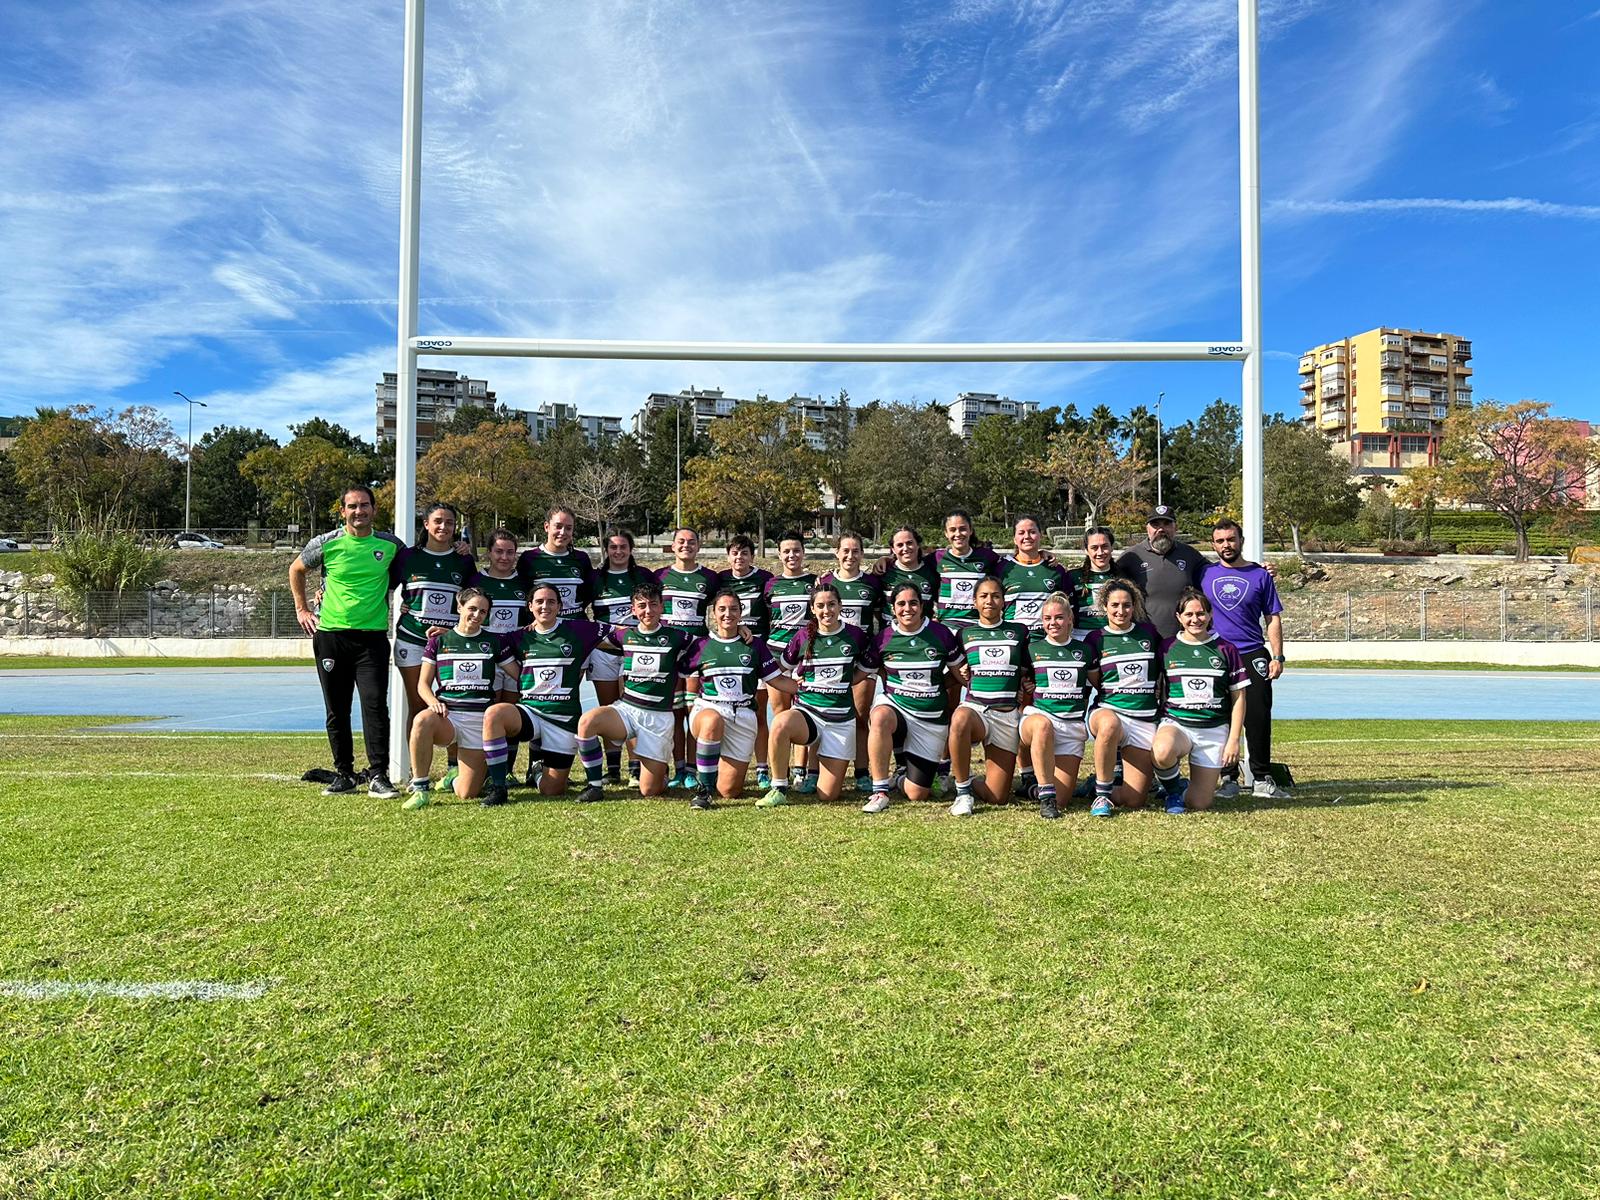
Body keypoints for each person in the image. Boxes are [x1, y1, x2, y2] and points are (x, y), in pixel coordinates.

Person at [289, 484, 404, 797]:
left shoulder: (391, 545)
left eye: (365, 505)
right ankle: (344, 774)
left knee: (375, 707)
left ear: (374, 509)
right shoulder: (326, 543)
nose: (359, 511)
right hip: (331, 638)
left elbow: (412, 571)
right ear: (342, 511)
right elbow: (296, 569)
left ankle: (379, 775)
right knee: (337, 709)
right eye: (352, 506)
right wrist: (302, 609)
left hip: (372, 641)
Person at [480, 583, 605, 806]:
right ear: (530, 606)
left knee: (552, 790)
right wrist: (450, 634)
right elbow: (482, 639)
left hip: (563, 720)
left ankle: (537, 769)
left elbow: (618, 633)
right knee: (495, 714)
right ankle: (498, 787)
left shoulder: (579, 629)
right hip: (531, 712)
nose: (544, 606)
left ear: (559, 606)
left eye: (550, 601)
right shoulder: (518, 637)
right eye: (539, 601)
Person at [575, 580, 695, 804]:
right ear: (633, 609)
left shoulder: (678, 637)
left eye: (653, 605)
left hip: (658, 717)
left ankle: (660, 771)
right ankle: (594, 786)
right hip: (627, 710)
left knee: (649, 790)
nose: (647, 610)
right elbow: (592, 637)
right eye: (641, 605)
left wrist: (741, 630)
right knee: (587, 722)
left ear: (662, 607)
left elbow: (709, 645)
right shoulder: (624, 636)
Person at [759, 582, 878, 807]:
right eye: (821, 606)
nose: (827, 611)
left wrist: (848, 681)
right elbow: (777, 670)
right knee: (780, 723)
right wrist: (794, 685)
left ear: (841, 606)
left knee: (828, 795)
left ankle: (819, 771)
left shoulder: (855, 636)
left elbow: (869, 665)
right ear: (812, 609)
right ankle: (779, 787)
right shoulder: (803, 636)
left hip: (840, 721)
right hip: (808, 713)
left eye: (832, 604)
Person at [1199, 518, 1289, 801]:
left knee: (1258, 716)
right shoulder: (1203, 574)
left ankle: (1261, 777)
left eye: (1231, 539)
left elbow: (1272, 618)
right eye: (1220, 541)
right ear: (1214, 545)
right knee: (1222, 717)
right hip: (1217, 653)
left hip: (1252, 653)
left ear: (1241, 541)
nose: (1226, 545)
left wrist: (1278, 656)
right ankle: (1228, 778)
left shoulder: (1260, 575)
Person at [681, 589, 797, 808]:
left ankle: (715, 762)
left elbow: (778, 681)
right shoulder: (700, 645)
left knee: (729, 790)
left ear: (741, 612)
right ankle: (703, 791)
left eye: (734, 609)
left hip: (742, 715)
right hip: (708, 709)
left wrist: (809, 687)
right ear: (713, 613)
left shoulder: (755, 645)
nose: (728, 614)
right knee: (712, 722)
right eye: (722, 609)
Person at [402, 588, 517, 810]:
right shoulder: (439, 641)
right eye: (472, 609)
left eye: (483, 612)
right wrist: (432, 702)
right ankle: (420, 789)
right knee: (422, 720)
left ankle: (453, 776)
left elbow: (518, 674)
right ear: (459, 607)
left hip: (479, 721)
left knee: (467, 793)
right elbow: (422, 685)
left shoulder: (494, 642)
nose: (476, 615)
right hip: (448, 717)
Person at [863, 582, 963, 813]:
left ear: (922, 605)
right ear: (893, 609)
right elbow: (859, 673)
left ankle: (900, 776)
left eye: (913, 603)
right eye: (901, 604)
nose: (907, 609)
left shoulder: (940, 634)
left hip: (930, 720)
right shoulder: (884, 638)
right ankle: (879, 791)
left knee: (917, 794)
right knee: (879, 717)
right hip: (896, 707)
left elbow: (960, 676)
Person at [1150, 589, 1249, 814]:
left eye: (1201, 613)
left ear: (1210, 614)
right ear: (1179, 617)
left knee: (1199, 804)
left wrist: (1234, 740)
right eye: (1189, 614)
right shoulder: (1167, 648)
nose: (1195, 619)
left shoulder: (1226, 649)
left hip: (1213, 730)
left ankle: (1183, 787)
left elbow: (1239, 698)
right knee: (1162, 751)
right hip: (1177, 724)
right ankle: (1174, 792)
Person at [999, 514, 1073, 799]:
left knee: (1040, 705)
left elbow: (1066, 608)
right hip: (1014, 648)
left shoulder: (1055, 570)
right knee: (1017, 708)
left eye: (1032, 532)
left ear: (1041, 535)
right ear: (1014, 538)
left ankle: (1047, 765)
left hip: (1047, 650)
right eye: (1021, 533)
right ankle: (1026, 772)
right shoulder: (1002, 568)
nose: (1027, 537)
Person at [947, 576, 1031, 816]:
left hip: (1006, 715)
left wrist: (1027, 683)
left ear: (1004, 601)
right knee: (960, 719)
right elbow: (956, 672)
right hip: (977, 710)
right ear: (974, 602)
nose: (989, 601)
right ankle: (962, 792)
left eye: (995, 596)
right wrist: (961, 672)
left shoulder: (1019, 631)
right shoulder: (965, 634)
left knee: (998, 797)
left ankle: (970, 780)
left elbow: (1027, 670)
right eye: (983, 596)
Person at [390, 502, 477, 730]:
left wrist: (455, 631)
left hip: (450, 643)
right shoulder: (407, 556)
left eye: (449, 522)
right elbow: (381, 586)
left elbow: (474, 602)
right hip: (412, 639)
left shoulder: (464, 560)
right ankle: (415, 768)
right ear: (426, 524)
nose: (443, 527)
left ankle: (453, 766)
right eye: (437, 521)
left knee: (455, 706)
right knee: (418, 705)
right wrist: (323, 588)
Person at [1083, 579, 1163, 817]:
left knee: (1134, 799)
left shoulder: (1148, 633)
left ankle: (1094, 787)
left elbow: (1159, 670)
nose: (1121, 611)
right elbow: (1098, 682)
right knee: (1109, 724)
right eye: (1115, 605)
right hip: (1109, 711)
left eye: (1126, 605)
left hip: (1143, 718)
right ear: (1104, 606)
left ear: (1134, 606)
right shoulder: (1095, 638)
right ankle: (1102, 795)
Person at [588, 530, 658, 784]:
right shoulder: (595, 578)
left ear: (631, 549)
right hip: (605, 650)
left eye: (623, 547)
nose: (618, 552)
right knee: (608, 710)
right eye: (613, 547)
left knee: (633, 707)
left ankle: (635, 769)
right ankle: (613, 768)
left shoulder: (643, 576)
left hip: (636, 650)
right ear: (606, 550)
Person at [1019, 592, 1095, 820]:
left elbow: (1102, 684)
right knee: (1042, 726)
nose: (1053, 623)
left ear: (1070, 619)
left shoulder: (1085, 650)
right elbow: (1016, 680)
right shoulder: (1032, 649)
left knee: (1064, 800)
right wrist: (1024, 684)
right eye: (1047, 618)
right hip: (1039, 716)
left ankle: (1035, 789)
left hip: (1071, 726)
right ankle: (1045, 797)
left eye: (1059, 618)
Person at [656, 527, 720, 789]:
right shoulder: (659, 576)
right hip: (668, 652)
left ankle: (693, 769)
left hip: (696, 653)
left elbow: (727, 605)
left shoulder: (709, 578)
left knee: (693, 712)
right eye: (681, 541)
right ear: (672, 546)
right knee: (674, 714)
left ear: (698, 546)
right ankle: (678, 768)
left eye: (691, 542)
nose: (686, 545)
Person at [817, 530, 881, 791]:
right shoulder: (824, 582)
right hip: (830, 659)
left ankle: (863, 772)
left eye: (856, 551)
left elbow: (882, 618)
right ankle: (813, 771)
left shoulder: (872, 583)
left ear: (862, 554)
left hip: (860, 659)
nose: (850, 556)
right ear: (837, 553)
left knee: (860, 714)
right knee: (823, 712)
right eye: (845, 550)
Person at [761, 531, 819, 791]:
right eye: (786, 551)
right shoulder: (772, 584)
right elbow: (766, 620)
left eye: (796, 550)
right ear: (779, 554)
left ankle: (801, 770)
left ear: (803, 552)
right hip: (776, 655)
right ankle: (780, 771)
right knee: (780, 713)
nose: (791, 555)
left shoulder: (814, 582)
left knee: (805, 711)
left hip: (805, 655)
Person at [718, 534, 775, 795]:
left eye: (744, 553)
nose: (739, 558)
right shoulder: (720, 580)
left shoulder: (764, 579)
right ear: (728, 555)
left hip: (758, 654)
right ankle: (713, 764)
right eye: (734, 553)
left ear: (752, 556)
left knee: (759, 713)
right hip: (729, 654)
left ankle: (762, 767)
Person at [1112, 504, 1206, 640]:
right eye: (1155, 524)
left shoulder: (1190, 555)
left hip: (1183, 639)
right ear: (1147, 529)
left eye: (1167, 524)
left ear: (1175, 527)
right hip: (1143, 639)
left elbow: (1215, 575)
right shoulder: (1131, 557)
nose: (1161, 529)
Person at [516, 505, 594, 620]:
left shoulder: (581, 558)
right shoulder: (529, 558)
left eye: (568, 528)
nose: (563, 532)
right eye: (558, 526)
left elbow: (588, 593)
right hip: (543, 630)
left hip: (575, 628)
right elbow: (523, 596)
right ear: (546, 527)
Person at [933, 508, 1002, 631]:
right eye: (952, 530)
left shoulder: (987, 556)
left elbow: (1015, 564)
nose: (958, 534)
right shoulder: (937, 558)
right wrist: (886, 560)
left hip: (978, 625)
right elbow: (911, 564)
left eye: (963, 529)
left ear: (970, 530)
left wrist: (1043, 554)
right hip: (948, 625)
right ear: (946, 533)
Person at [1068, 526, 1118, 642]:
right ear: (1086, 550)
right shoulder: (1073, 577)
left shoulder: (1122, 576)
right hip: (1081, 638)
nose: (1100, 552)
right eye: (1094, 548)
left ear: (1112, 547)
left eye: (1105, 546)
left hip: (1113, 637)